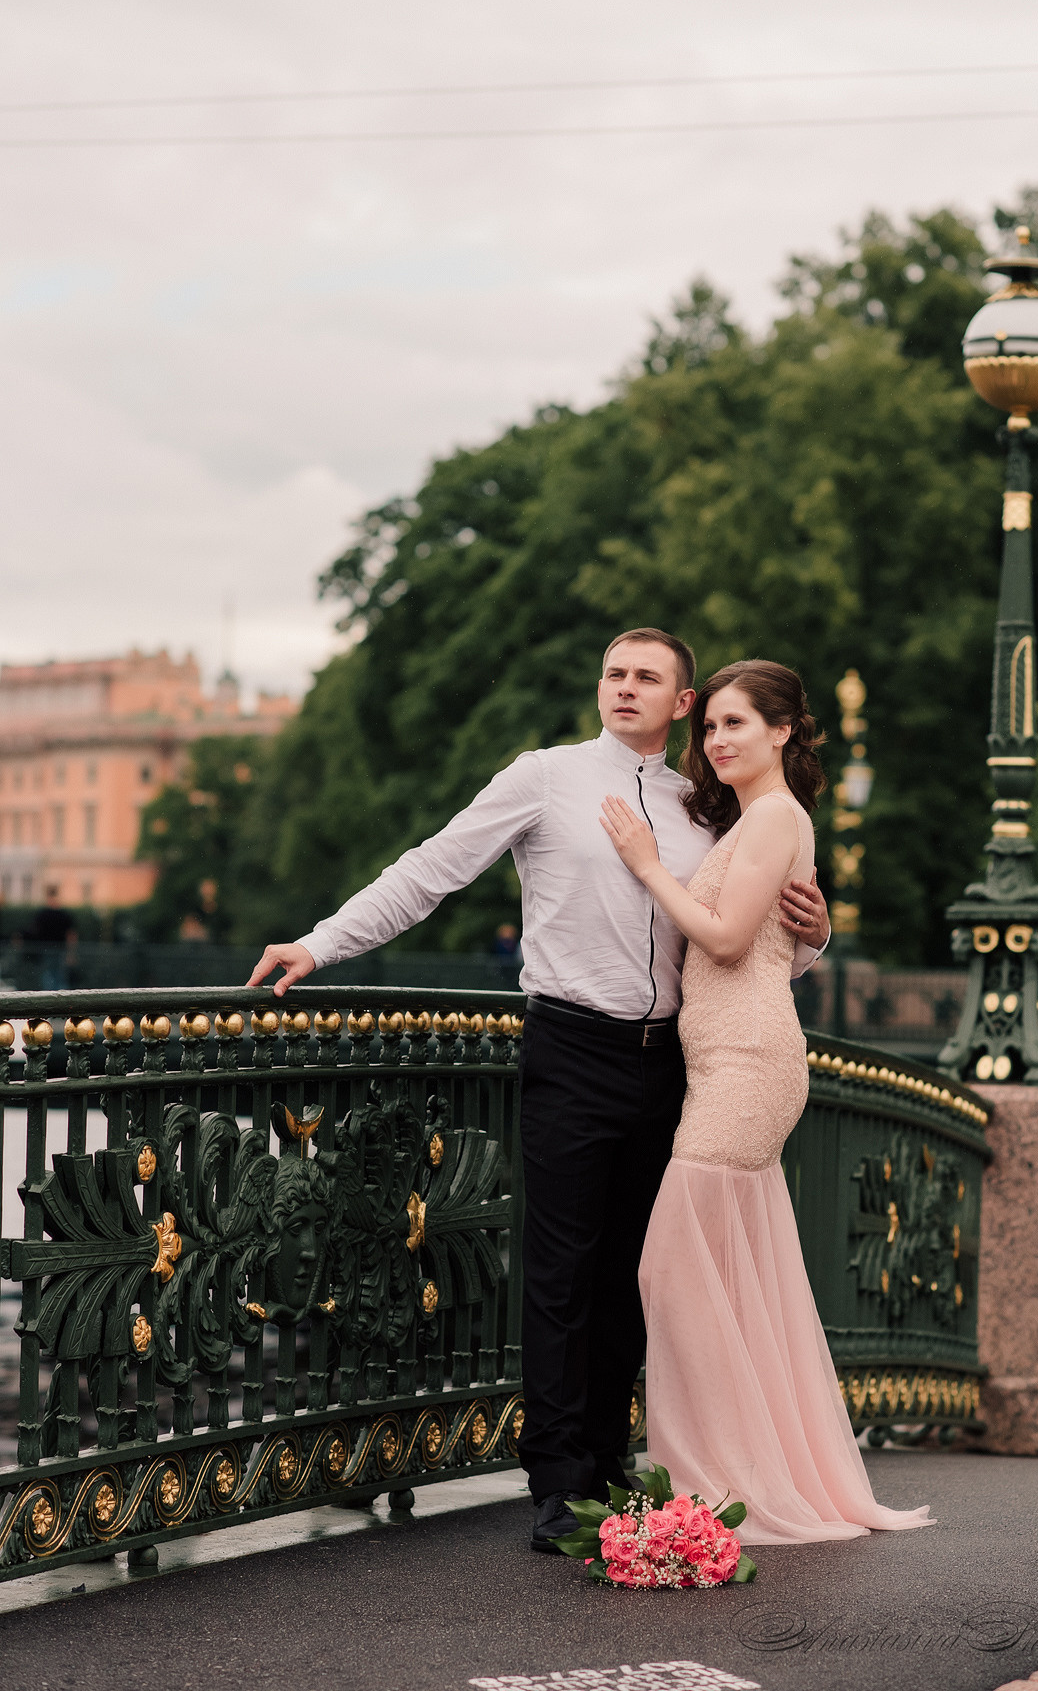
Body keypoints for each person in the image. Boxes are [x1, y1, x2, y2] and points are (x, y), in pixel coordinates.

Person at [247, 628, 831, 1550]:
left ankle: (612, 1468)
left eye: (648, 678)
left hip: (678, 1062)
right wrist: (319, 943)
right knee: (560, 1274)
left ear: (683, 702)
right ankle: (558, 1483)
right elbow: (431, 871)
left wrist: (818, 934)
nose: (625, 689)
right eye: (614, 674)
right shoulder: (545, 777)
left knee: (635, 1278)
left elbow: (747, 947)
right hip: (572, 1045)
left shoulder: (704, 809)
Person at [599, 659, 933, 1545]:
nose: (715, 741)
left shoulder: (777, 817)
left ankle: (716, 1486)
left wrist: (643, 864)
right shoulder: (757, 821)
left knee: (667, 1268)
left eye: (734, 724)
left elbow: (724, 934)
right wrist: (814, 937)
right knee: (732, 1279)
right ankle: (744, 1478)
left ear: (783, 731)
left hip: (748, 1068)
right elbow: (770, 949)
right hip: (724, 1064)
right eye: (707, 727)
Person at [26, 886, 77, 992]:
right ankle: (62, 1001)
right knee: (59, 976)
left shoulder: (42, 914)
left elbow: (33, 931)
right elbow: (71, 935)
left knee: (50, 976)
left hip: (47, 949)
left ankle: (50, 999)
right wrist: (71, 953)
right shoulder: (64, 915)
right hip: (59, 949)